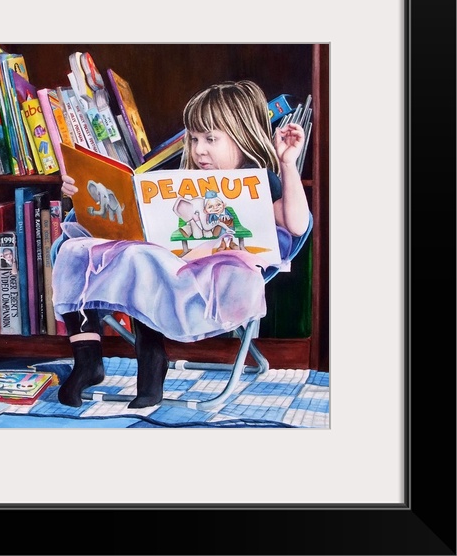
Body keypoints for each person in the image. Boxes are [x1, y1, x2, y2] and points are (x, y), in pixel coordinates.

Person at [53, 80, 310, 409]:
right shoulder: (182, 178)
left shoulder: (259, 179)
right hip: (167, 261)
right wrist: (83, 193)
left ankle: (150, 360)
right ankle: (88, 359)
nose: (200, 148)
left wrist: (286, 164)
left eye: (211, 139)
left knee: (146, 263)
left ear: (243, 136)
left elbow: (297, 224)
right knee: (76, 249)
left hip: (220, 274)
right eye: (194, 138)